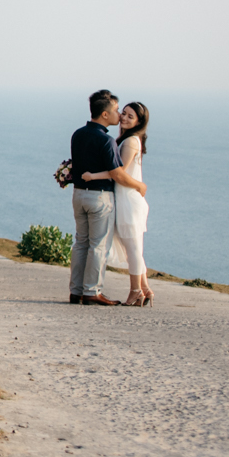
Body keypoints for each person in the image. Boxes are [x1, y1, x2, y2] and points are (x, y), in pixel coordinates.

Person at [86, 100, 152, 306]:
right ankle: (145, 289)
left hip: (129, 202)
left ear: (139, 122)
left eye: (130, 116)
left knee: (132, 249)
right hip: (126, 199)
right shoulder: (127, 139)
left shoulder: (131, 141)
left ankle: (135, 292)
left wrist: (92, 176)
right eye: (123, 113)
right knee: (132, 247)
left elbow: (119, 173)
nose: (123, 117)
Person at [68, 89, 129, 306]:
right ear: (104, 114)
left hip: (78, 194)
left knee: (81, 243)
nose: (119, 114)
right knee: (99, 246)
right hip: (100, 197)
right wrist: (139, 185)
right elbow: (117, 173)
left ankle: (76, 291)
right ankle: (92, 291)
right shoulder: (107, 141)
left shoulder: (77, 134)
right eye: (115, 110)